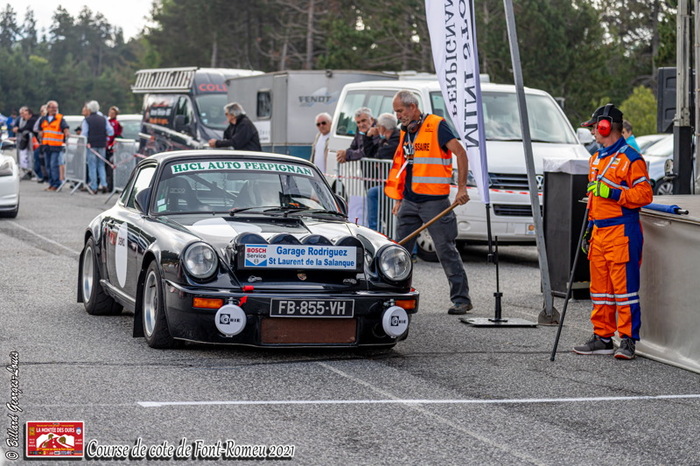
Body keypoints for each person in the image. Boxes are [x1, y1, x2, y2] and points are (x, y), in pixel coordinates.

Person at [574, 104, 653, 359]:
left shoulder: (631, 158)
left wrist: (613, 192)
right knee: (600, 291)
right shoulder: (595, 159)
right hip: (599, 232)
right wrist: (589, 229)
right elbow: (594, 200)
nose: (593, 132)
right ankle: (603, 337)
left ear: (606, 127)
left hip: (622, 232)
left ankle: (628, 341)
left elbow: (645, 195)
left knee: (625, 291)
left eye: (595, 128)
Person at [385, 90, 473, 315]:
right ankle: (395, 297)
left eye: (400, 111)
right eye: (396, 112)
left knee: (446, 250)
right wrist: (399, 197)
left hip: (435, 202)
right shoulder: (406, 131)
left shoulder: (437, 125)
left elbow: (461, 153)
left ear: (413, 107)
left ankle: (461, 300)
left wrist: (462, 188)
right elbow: (406, 166)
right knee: (399, 252)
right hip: (409, 200)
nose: (398, 116)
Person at [365, 112, 400, 231]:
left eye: (378, 126)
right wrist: (368, 137)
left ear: (383, 128)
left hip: (397, 185)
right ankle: (376, 229)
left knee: (372, 193)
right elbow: (370, 154)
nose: (376, 128)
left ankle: (374, 230)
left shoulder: (396, 139)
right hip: (388, 183)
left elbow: (379, 155)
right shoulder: (385, 139)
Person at [81, 100, 114, 194]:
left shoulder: (87, 120)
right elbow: (111, 131)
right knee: (101, 165)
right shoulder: (104, 119)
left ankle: (94, 186)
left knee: (92, 165)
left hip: (91, 145)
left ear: (89, 109)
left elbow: (84, 134)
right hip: (102, 144)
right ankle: (104, 184)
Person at [38, 101, 70, 191]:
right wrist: (40, 134)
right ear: (48, 108)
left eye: (55, 107)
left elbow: (65, 128)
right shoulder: (43, 119)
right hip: (46, 145)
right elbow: (40, 129)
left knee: (53, 165)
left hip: (56, 146)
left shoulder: (60, 118)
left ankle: (56, 184)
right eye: (52, 107)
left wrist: (67, 133)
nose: (54, 109)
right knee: (48, 165)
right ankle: (51, 183)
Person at [106, 106, 123, 192]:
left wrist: (113, 145)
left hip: (113, 148)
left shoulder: (116, 123)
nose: (111, 114)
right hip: (106, 147)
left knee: (112, 168)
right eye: (110, 112)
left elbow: (117, 135)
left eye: (113, 113)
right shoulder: (107, 122)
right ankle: (107, 184)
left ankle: (112, 186)